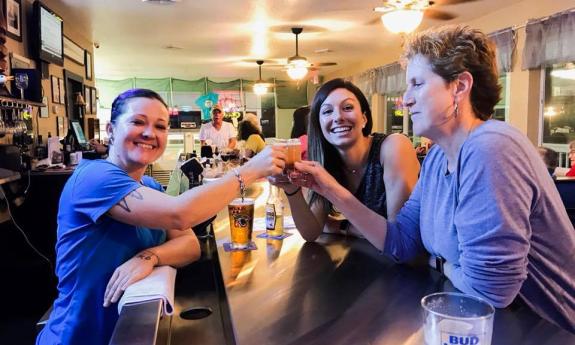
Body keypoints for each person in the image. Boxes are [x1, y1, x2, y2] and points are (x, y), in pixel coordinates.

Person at [294, 26, 575, 333]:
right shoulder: (439, 158)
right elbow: (399, 243)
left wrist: (439, 263)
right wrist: (328, 188)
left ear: (460, 86)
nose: (406, 99)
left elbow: (490, 293)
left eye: (417, 84)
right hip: (493, 326)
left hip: (550, 328)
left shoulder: (491, 148)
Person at [37, 89, 286, 345]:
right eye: (137, 122)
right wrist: (252, 170)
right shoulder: (94, 177)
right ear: (110, 129)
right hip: (76, 336)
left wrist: (150, 257)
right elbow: (180, 214)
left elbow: (189, 246)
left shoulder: (150, 186)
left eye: (160, 126)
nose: (150, 133)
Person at [276, 78, 420, 249]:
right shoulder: (327, 162)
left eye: (348, 108)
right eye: (327, 111)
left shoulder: (393, 147)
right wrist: (292, 190)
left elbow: (399, 241)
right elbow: (311, 232)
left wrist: (342, 225)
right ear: (319, 125)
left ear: (364, 118)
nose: (338, 117)